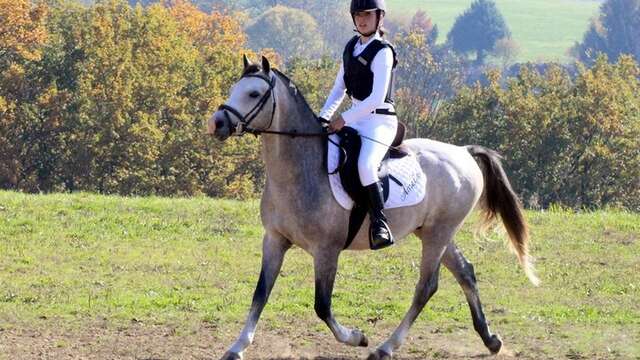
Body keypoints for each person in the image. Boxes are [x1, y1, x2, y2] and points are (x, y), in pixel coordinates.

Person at [319, 0, 398, 250]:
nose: (362, 19)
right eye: (358, 15)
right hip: (355, 118)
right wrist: (323, 117)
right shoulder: (351, 47)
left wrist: (344, 119)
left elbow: (375, 98)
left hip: (379, 122)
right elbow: (337, 90)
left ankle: (379, 223)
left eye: (367, 14)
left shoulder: (383, 52)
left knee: (365, 165)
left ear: (379, 17)